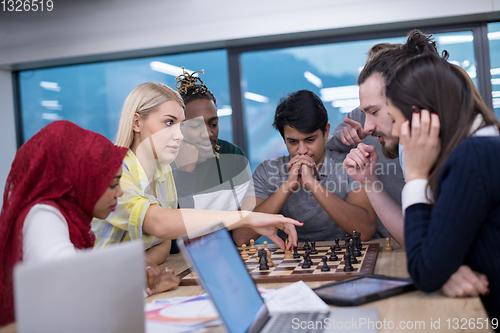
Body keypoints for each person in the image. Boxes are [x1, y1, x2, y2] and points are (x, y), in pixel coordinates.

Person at [91, 82, 301, 265]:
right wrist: (247, 217)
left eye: (180, 125)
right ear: (137, 122)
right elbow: (160, 224)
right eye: (169, 123)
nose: (178, 134)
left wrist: (140, 270)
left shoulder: (163, 172)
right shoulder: (113, 172)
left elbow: (163, 246)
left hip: (127, 283)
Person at [0, 121, 176, 326]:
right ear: (79, 181)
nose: (119, 193)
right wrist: (140, 284)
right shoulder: (43, 216)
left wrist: (136, 276)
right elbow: (75, 288)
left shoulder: (72, 218)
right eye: (112, 185)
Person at [384, 54, 500, 321]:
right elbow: (437, 254)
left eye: (394, 120)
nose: (397, 134)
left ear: (421, 118)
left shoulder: (474, 156)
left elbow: (425, 271)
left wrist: (415, 177)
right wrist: (448, 267)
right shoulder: (479, 147)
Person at [241, 90, 377, 243]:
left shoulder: (350, 166)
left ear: (326, 132)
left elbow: (364, 231)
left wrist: (312, 183)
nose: (302, 150)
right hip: (290, 262)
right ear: (284, 139)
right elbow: (241, 237)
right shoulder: (267, 171)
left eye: (310, 140)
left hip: (346, 261)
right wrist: (287, 187)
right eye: (292, 142)